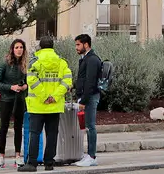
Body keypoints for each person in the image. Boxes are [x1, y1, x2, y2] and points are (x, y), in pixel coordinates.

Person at [18, 36, 72, 172]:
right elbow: (67, 82)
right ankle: (49, 163)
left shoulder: (34, 62)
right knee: (52, 134)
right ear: (53, 47)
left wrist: (44, 97)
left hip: (37, 106)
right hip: (54, 106)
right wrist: (54, 97)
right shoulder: (62, 63)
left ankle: (32, 164)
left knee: (35, 133)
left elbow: (31, 81)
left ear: (40, 47)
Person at [0, 39, 28, 169]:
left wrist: (25, 86)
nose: (19, 49)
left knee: (19, 127)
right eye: (17, 47)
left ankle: (17, 156)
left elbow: (27, 81)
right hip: (6, 99)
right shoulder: (4, 64)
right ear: (12, 49)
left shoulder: (24, 65)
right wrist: (11, 87)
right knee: (4, 127)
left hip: (19, 99)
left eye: (21, 47)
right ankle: (1, 157)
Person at [74, 34, 102, 167]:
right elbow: (82, 78)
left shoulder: (92, 60)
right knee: (88, 127)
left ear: (86, 44)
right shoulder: (86, 59)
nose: (76, 47)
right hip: (87, 97)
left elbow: (90, 82)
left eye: (78, 45)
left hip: (90, 97)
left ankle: (92, 156)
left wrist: (83, 101)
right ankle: (89, 155)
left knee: (91, 127)